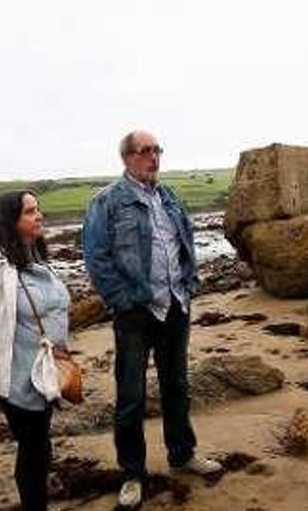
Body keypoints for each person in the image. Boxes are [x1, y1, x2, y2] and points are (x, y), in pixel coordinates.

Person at [81, 130, 221, 509]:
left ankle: (183, 453)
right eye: (145, 151)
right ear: (127, 158)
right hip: (135, 313)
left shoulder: (169, 197)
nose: (154, 158)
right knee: (131, 395)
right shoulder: (108, 202)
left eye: (157, 150)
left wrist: (189, 285)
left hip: (175, 306)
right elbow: (95, 256)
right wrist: (123, 300)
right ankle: (132, 473)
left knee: (176, 384)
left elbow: (185, 243)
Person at [0, 190, 70, 511]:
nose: (39, 216)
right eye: (30, 212)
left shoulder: (36, 258)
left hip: (44, 371)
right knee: (34, 448)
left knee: (39, 446)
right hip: (14, 377)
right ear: (11, 220)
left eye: (38, 209)